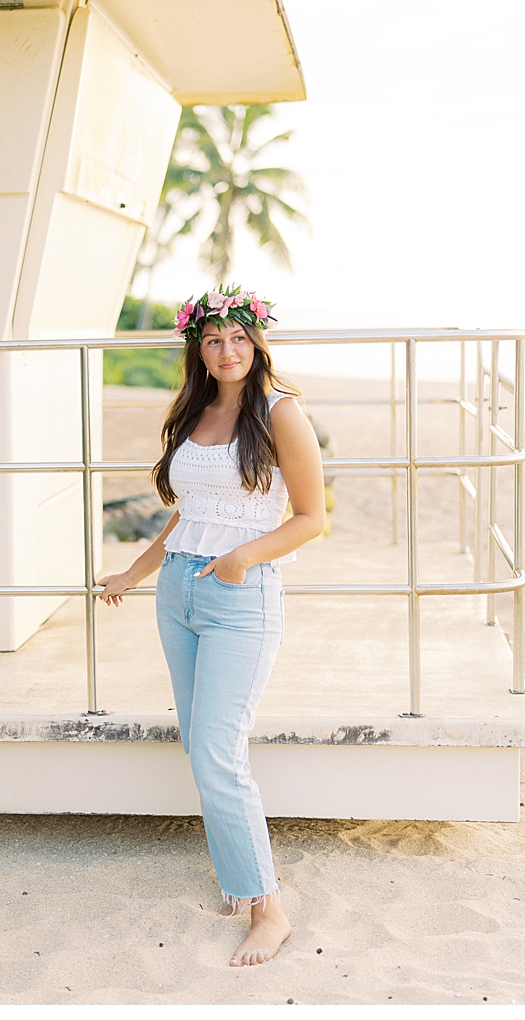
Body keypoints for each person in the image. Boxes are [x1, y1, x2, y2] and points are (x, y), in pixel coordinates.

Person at [95, 286, 324, 968]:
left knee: (220, 757)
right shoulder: (196, 410)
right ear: (199, 348)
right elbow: (186, 510)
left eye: (239, 339)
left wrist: (239, 559)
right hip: (178, 594)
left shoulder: (281, 412)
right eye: (214, 340)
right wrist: (134, 573)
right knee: (202, 751)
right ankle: (239, 882)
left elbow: (311, 517)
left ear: (258, 344)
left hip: (238, 596)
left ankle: (269, 908)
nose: (227, 352)